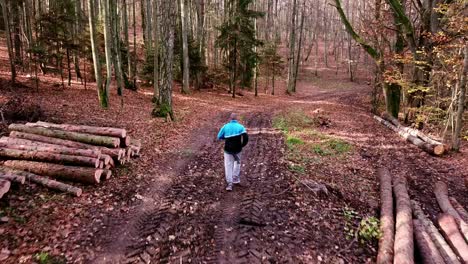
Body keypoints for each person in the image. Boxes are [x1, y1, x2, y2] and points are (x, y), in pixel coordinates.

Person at [217, 113, 249, 191]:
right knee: (237, 163)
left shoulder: (225, 127)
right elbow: (246, 137)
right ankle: (236, 179)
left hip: (228, 150)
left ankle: (229, 184)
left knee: (228, 165)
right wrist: (242, 145)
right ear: (236, 119)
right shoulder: (241, 127)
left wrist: (226, 138)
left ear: (230, 119)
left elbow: (219, 136)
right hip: (238, 149)